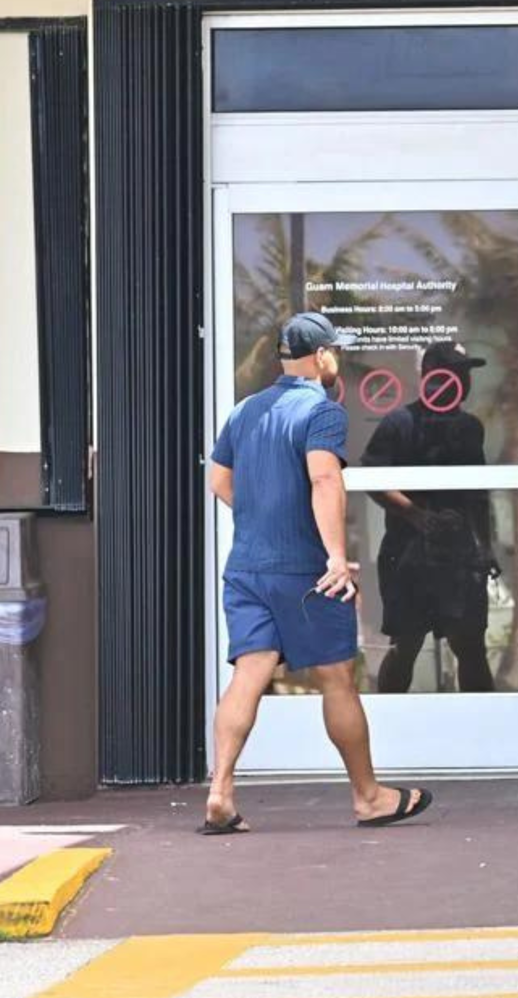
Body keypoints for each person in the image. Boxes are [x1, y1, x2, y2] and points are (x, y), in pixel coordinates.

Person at [202, 311, 432, 834]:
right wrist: (333, 557)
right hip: (305, 572)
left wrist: (260, 522)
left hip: (246, 567)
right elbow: (326, 480)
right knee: (337, 680)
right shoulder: (321, 412)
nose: (339, 360)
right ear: (322, 356)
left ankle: (220, 792)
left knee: (249, 672)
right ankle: (369, 797)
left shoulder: (245, 411)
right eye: (336, 351)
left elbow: (219, 481)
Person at [361, 342, 499, 693]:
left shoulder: (469, 428)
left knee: (470, 647)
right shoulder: (399, 422)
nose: (463, 380)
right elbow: (372, 481)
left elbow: (478, 494)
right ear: (433, 377)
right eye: (456, 372)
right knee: (405, 646)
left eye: (466, 372)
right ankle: (386, 727)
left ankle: (487, 730)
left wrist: (486, 547)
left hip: (460, 555)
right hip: (408, 555)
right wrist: (416, 516)